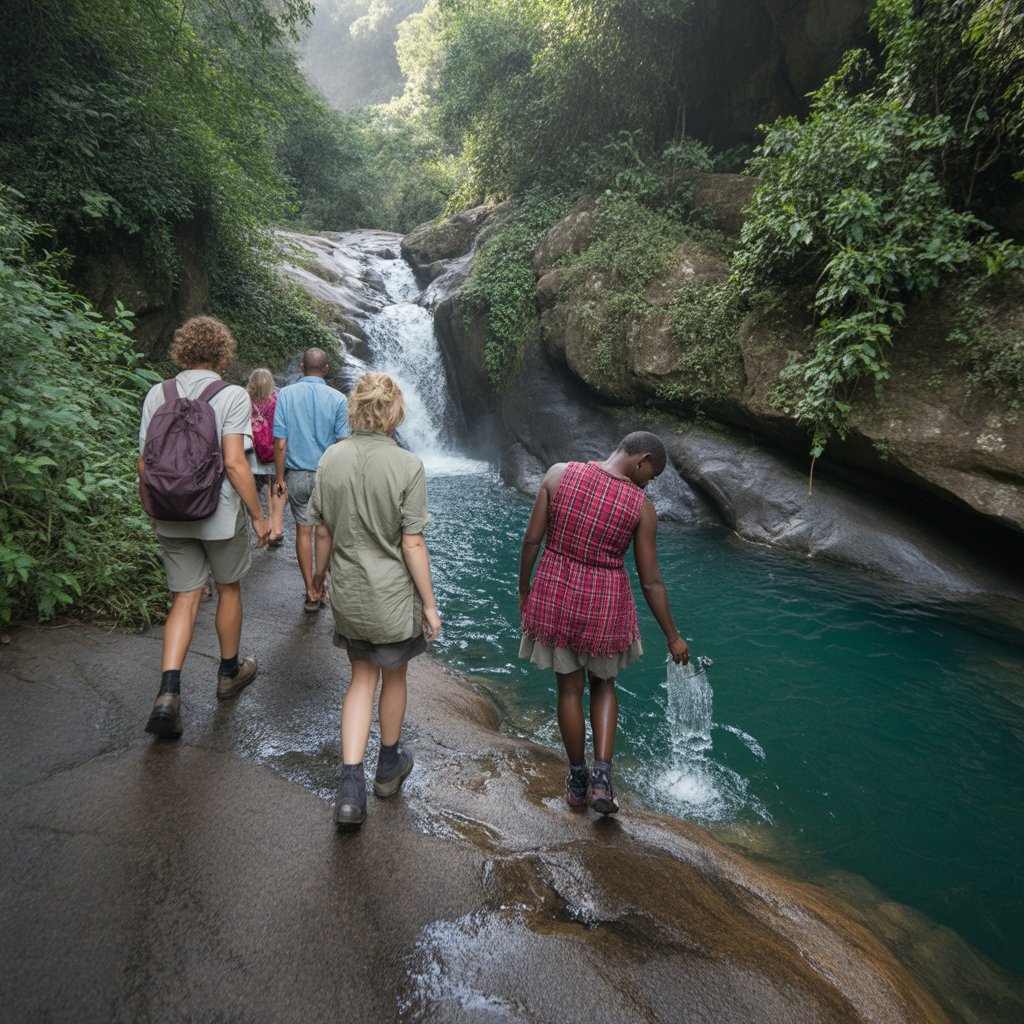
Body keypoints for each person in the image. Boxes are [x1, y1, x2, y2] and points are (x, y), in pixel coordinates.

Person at [518, 431, 689, 815]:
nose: (649, 482)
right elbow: (651, 581)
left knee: (568, 690)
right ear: (642, 459)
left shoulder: (559, 475)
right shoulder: (640, 507)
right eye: (652, 474)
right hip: (605, 601)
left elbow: (531, 541)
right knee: (604, 683)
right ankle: (601, 780)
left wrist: (525, 588)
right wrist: (673, 637)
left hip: (556, 592)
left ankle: (577, 779)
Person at [308, 372, 442, 829]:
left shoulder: (331, 458)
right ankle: (387, 766)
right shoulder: (408, 465)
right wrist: (429, 604)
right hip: (391, 598)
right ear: (394, 412)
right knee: (394, 676)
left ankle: (349, 790)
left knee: (360, 680)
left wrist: (317, 577)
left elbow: (321, 531)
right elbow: (413, 545)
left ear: (357, 409)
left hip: (350, 595)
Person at [138, 315, 271, 739]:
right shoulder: (231, 395)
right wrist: (258, 515)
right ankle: (229, 673)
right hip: (218, 514)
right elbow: (234, 462)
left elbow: (144, 462)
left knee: (184, 598)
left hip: (171, 513)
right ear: (222, 353)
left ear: (182, 350)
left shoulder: (157, 393)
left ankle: (167, 692)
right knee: (229, 588)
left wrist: (153, 509)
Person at [272, 348, 349, 613]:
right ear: (326, 369)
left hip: (297, 474)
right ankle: (321, 580)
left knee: (303, 530)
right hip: (328, 474)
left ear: (302, 367)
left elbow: (280, 442)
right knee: (324, 530)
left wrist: (280, 479)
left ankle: (310, 591)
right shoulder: (339, 399)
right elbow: (343, 444)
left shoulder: (285, 395)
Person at [245, 368, 285, 546]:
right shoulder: (276, 401)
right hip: (271, 449)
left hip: (253, 451)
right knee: (273, 486)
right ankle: (274, 526)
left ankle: (258, 525)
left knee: (253, 487)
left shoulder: (245, 401)